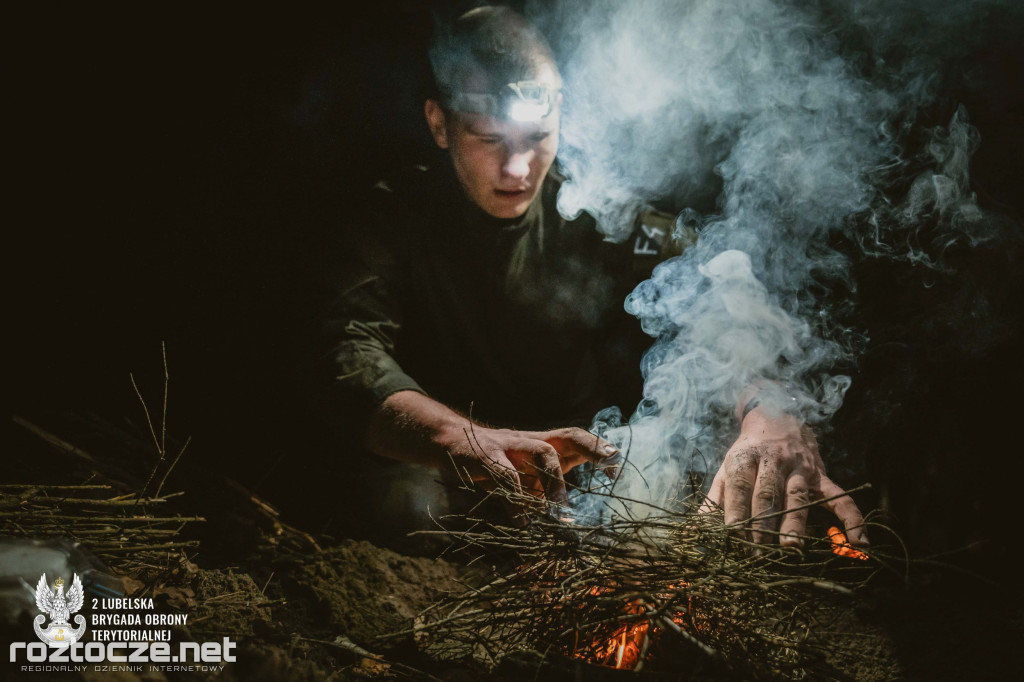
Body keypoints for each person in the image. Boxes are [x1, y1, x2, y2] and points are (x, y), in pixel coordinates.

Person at [313, 6, 867, 549]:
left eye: (536, 138)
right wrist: (460, 438)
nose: (517, 168)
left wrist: (768, 407)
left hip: (585, 474)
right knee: (405, 506)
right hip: (448, 470)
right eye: (488, 138)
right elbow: (345, 348)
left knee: (709, 481)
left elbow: (711, 297)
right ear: (439, 123)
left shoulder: (595, 204)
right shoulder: (390, 218)